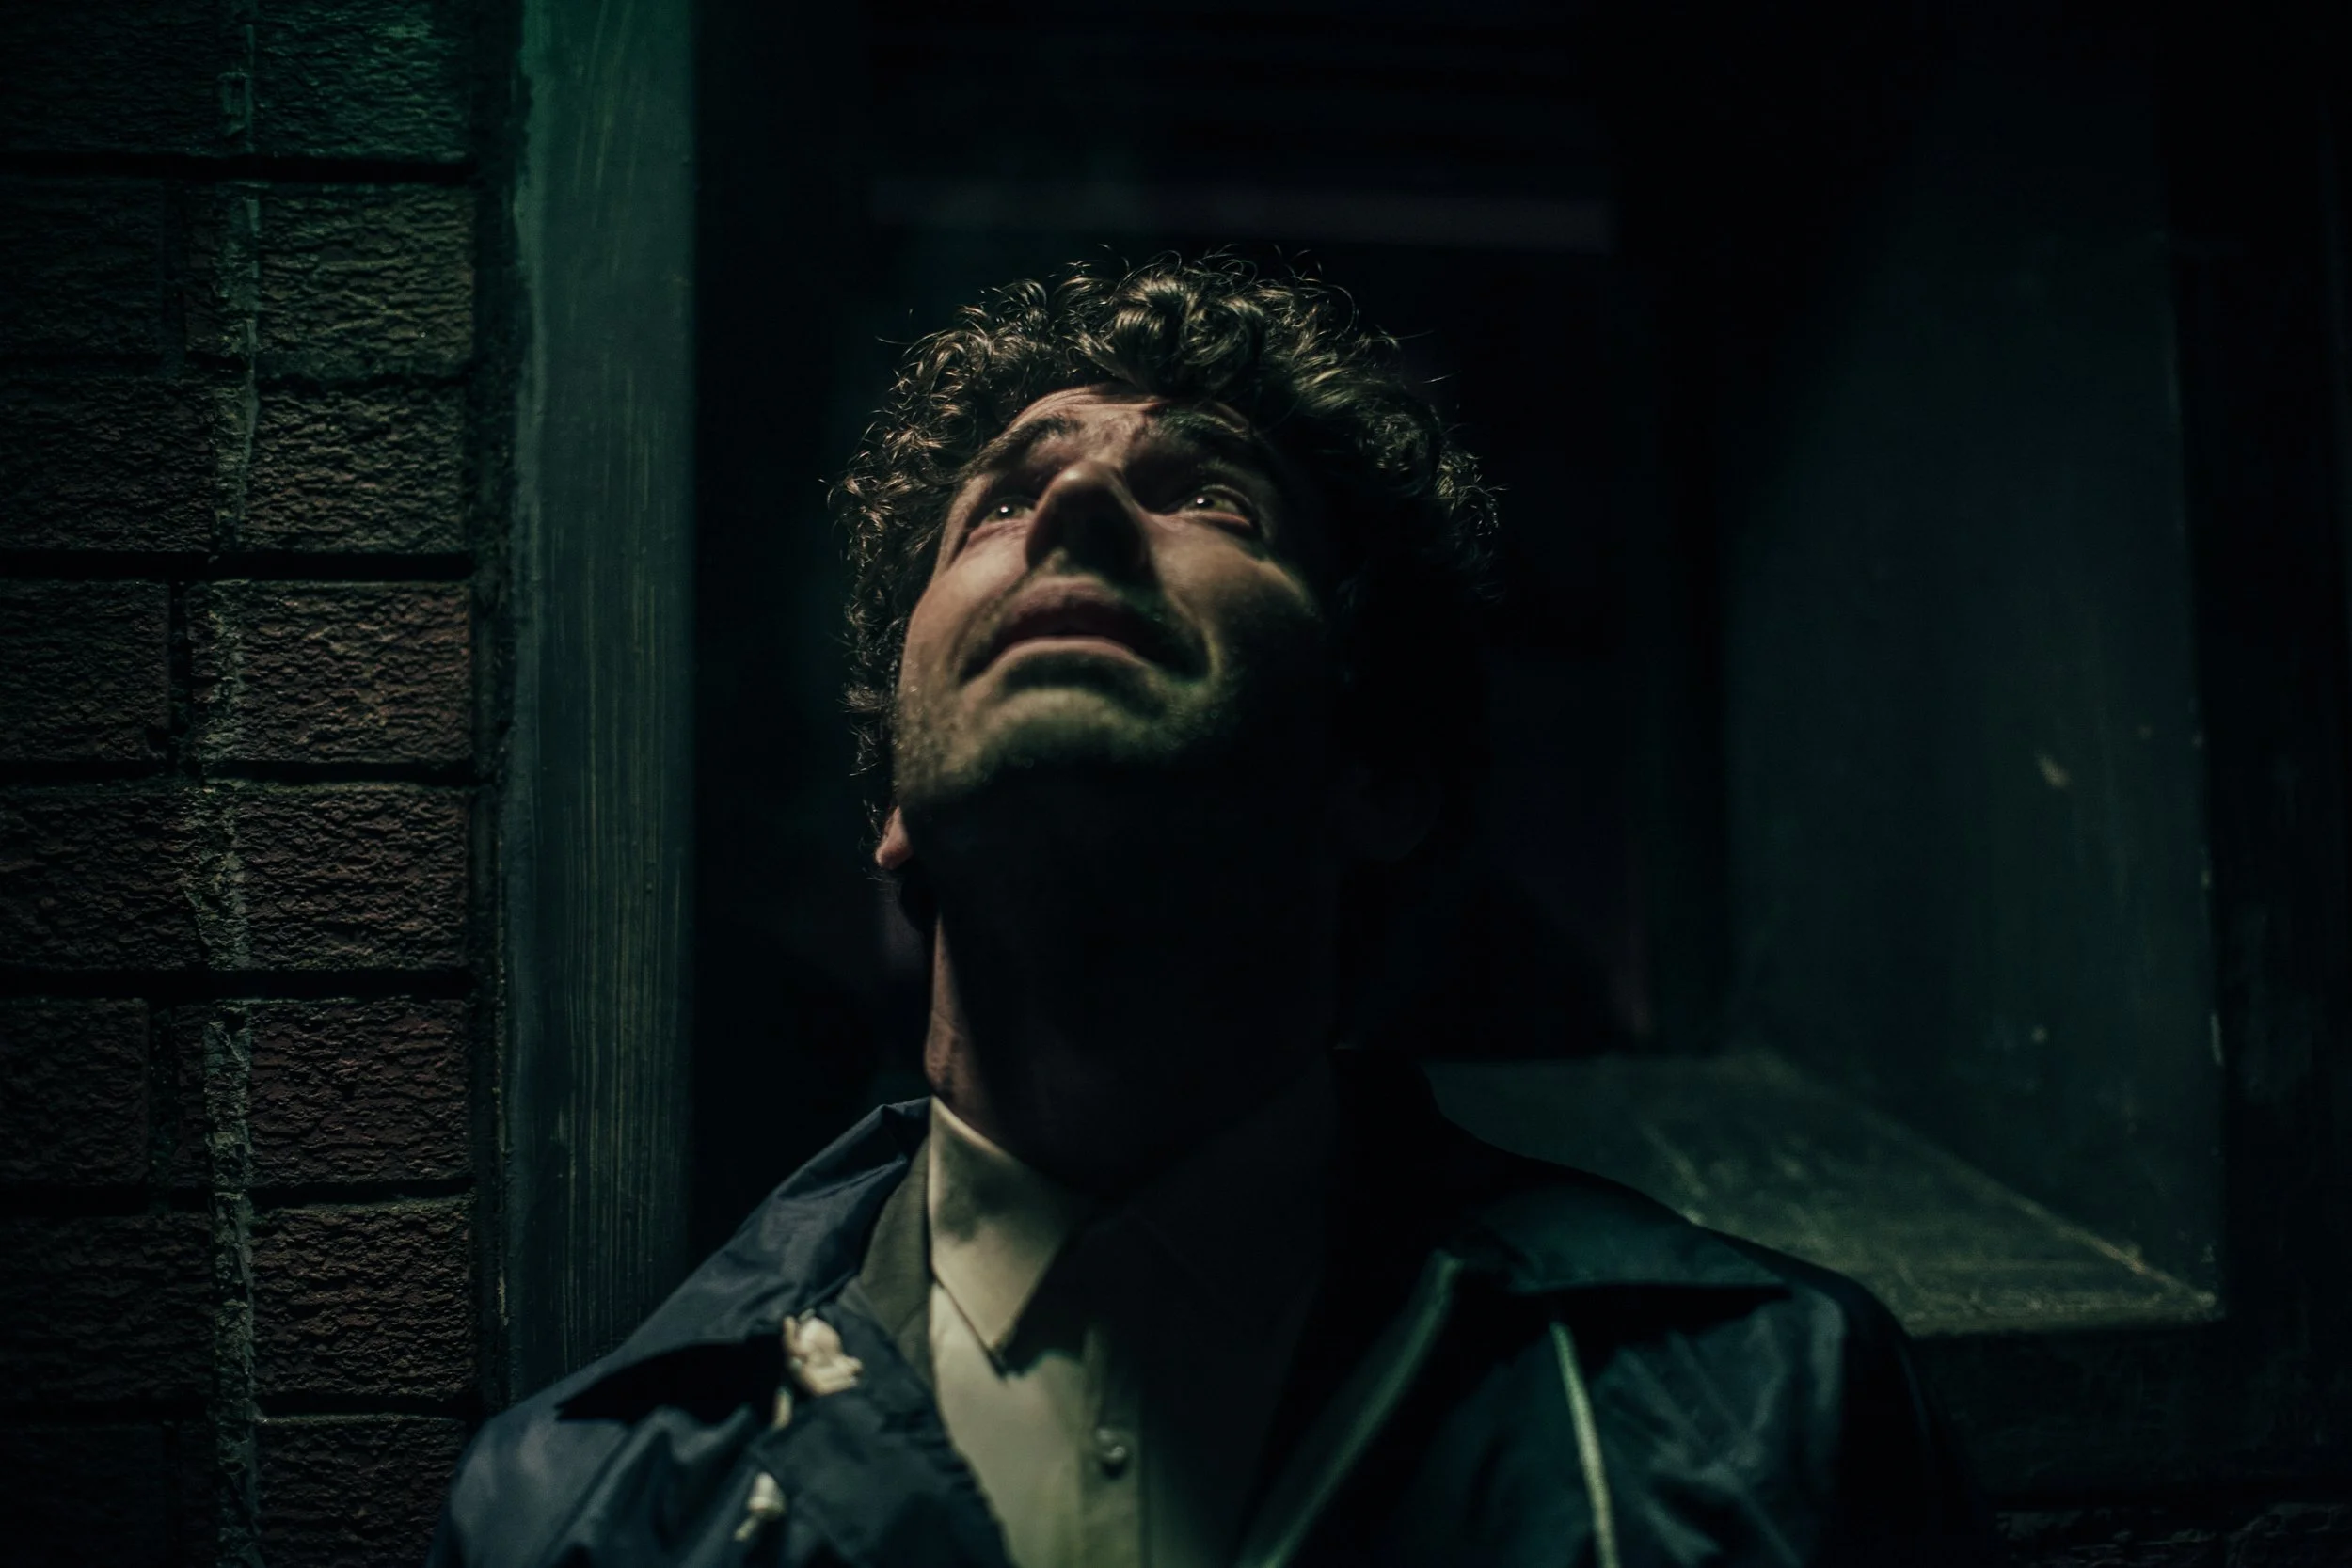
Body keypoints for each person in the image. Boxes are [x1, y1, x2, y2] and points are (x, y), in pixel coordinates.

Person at [432, 257, 1989, 1566]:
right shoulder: (579, 1508)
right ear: (894, 802)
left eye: (1217, 500)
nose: (1077, 504)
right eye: (999, 501)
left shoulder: (1775, 1413)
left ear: (1378, 771)